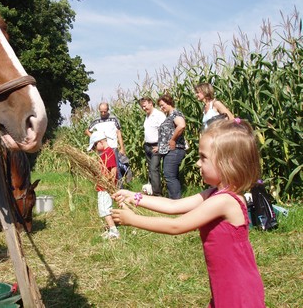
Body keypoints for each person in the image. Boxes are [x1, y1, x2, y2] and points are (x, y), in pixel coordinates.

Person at [111, 119, 265, 307]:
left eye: (203, 157)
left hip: (237, 288)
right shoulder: (216, 193)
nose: (198, 164)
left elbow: (176, 225)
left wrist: (134, 219)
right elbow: (174, 206)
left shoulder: (224, 201)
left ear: (227, 162)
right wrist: (135, 197)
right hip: (225, 282)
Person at [87, 131, 120, 239]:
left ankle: (114, 231)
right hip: (102, 186)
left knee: (105, 209)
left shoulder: (108, 152)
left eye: (95, 146)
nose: (95, 150)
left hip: (105, 187)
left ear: (100, 142)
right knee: (104, 208)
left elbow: (113, 169)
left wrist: (109, 182)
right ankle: (111, 228)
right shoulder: (105, 153)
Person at [85, 102, 125, 183]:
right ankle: (106, 187)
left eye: (105, 111)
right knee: (104, 170)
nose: (103, 113)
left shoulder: (114, 119)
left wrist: (122, 147)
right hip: (101, 149)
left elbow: (118, 133)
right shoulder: (96, 120)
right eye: (101, 111)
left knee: (115, 170)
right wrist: (95, 139)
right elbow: (87, 131)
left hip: (113, 147)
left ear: (108, 110)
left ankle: (119, 189)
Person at [157, 94, 186, 199]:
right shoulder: (169, 116)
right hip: (170, 150)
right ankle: (175, 199)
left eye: (162, 105)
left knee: (169, 175)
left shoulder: (175, 114)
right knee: (171, 176)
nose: (161, 108)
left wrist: (173, 140)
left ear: (169, 102)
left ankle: (175, 201)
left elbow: (181, 125)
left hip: (175, 149)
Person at [139, 97, 166, 196]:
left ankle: (157, 194)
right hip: (147, 146)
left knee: (154, 169)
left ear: (151, 103)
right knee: (151, 169)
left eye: (145, 106)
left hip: (156, 146)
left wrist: (160, 145)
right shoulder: (147, 116)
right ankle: (151, 190)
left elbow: (165, 131)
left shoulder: (159, 115)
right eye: (142, 107)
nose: (144, 108)